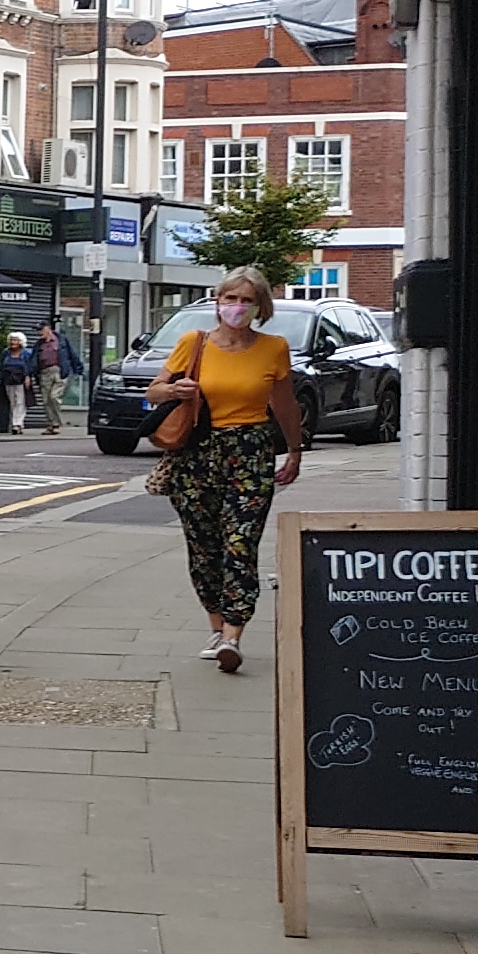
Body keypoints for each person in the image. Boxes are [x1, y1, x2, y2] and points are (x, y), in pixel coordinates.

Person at [146, 268, 306, 674]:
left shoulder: (274, 348)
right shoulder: (193, 343)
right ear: (217, 302)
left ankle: (233, 634)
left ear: (260, 307)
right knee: (203, 545)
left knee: (240, 541)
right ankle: (216, 626)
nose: (236, 307)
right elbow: (154, 390)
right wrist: (174, 389)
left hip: (250, 451)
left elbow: (284, 404)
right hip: (198, 453)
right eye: (229, 299)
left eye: (246, 300)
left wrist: (294, 450)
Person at [33, 321, 72, 435]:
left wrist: (77, 369)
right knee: (46, 400)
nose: (39, 332)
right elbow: (33, 359)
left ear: (48, 328)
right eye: (37, 330)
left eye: (41, 329)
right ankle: (51, 424)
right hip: (44, 372)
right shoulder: (39, 344)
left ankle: (56, 423)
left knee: (54, 397)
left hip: (59, 370)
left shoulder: (61, 340)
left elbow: (71, 354)